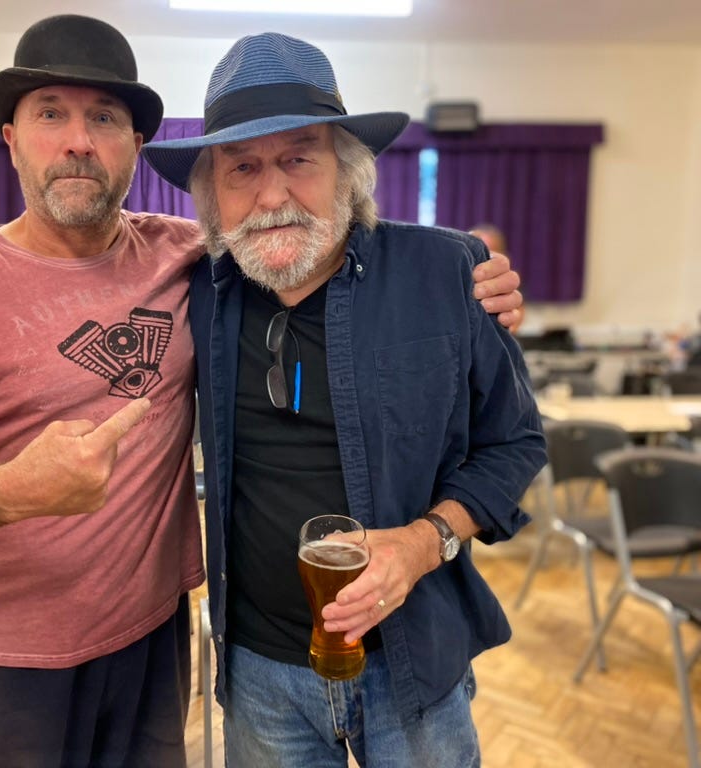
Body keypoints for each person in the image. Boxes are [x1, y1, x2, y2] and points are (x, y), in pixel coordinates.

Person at [0, 15, 525, 767]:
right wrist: (9, 491)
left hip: (171, 648)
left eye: (104, 117)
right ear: (9, 136)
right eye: (50, 115)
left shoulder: (207, 263)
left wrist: (470, 281)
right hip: (21, 668)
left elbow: (508, 437)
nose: (270, 196)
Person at [142, 32, 547, 768]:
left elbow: (517, 443)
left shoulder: (447, 272)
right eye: (243, 168)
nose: (272, 194)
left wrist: (425, 542)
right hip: (259, 671)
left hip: (414, 664)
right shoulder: (195, 288)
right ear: (211, 192)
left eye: (300, 158)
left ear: (347, 171)